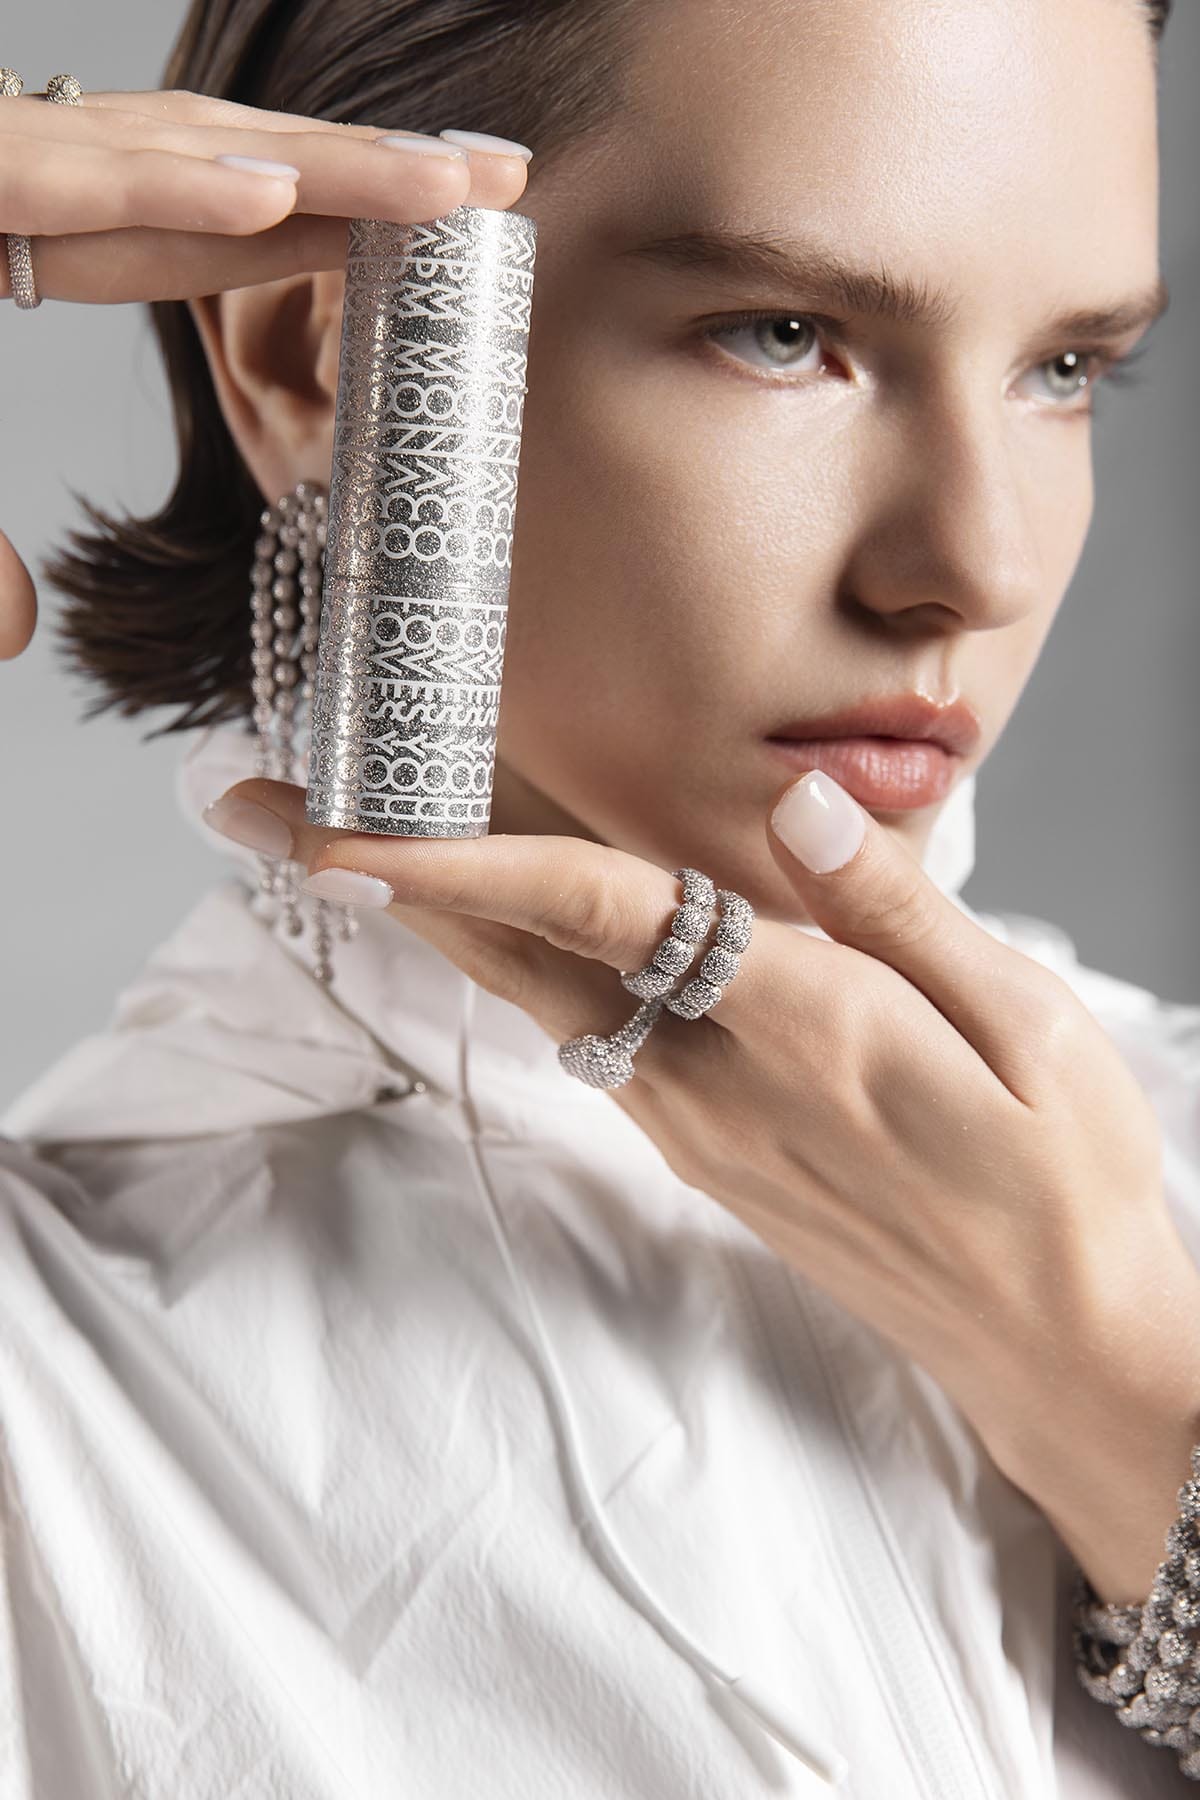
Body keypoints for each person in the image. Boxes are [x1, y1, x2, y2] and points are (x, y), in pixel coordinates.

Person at [1, 0, 1197, 1793]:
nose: (978, 562)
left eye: (1064, 369)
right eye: (787, 333)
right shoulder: (48, 1398)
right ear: (328, 354)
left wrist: (1129, 1412)